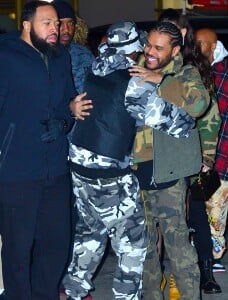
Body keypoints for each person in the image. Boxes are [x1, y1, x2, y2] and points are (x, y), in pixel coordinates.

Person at [63, 20, 196, 300]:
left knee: (89, 235)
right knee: (132, 246)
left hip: (79, 167)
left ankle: (74, 292)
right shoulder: (133, 82)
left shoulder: (94, 67)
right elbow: (180, 124)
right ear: (135, 47)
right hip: (110, 175)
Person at [0, 1, 82, 299]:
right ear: (26, 24)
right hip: (16, 168)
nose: (55, 29)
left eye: (57, 24)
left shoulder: (60, 58)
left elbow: (69, 103)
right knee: (18, 248)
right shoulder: (6, 56)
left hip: (55, 166)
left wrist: (63, 122)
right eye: (47, 22)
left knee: (57, 244)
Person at [128, 21, 211, 300]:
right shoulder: (134, 69)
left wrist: (160, 80)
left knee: (177, 243)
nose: (150, 51)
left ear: (175, 50)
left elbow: (200, 105)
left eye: (158, 48)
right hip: (136, 169)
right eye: (149, 44)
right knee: (145, 246)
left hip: (169, 170)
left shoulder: (184, 72)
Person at [191, 27, 228, 279]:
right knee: (195, 210)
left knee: (216, 212)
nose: (198, 47)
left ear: (214, 46)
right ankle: (199, 256)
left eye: (203, 43)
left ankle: (213, 258)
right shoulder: (190, 74)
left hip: (222, 158)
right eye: (196, 42)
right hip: (193, 159)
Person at [53, 0, 94, 94]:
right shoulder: (41, 56)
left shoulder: (83, 54)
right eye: (60, 24)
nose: (66, 30)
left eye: (70, 23)